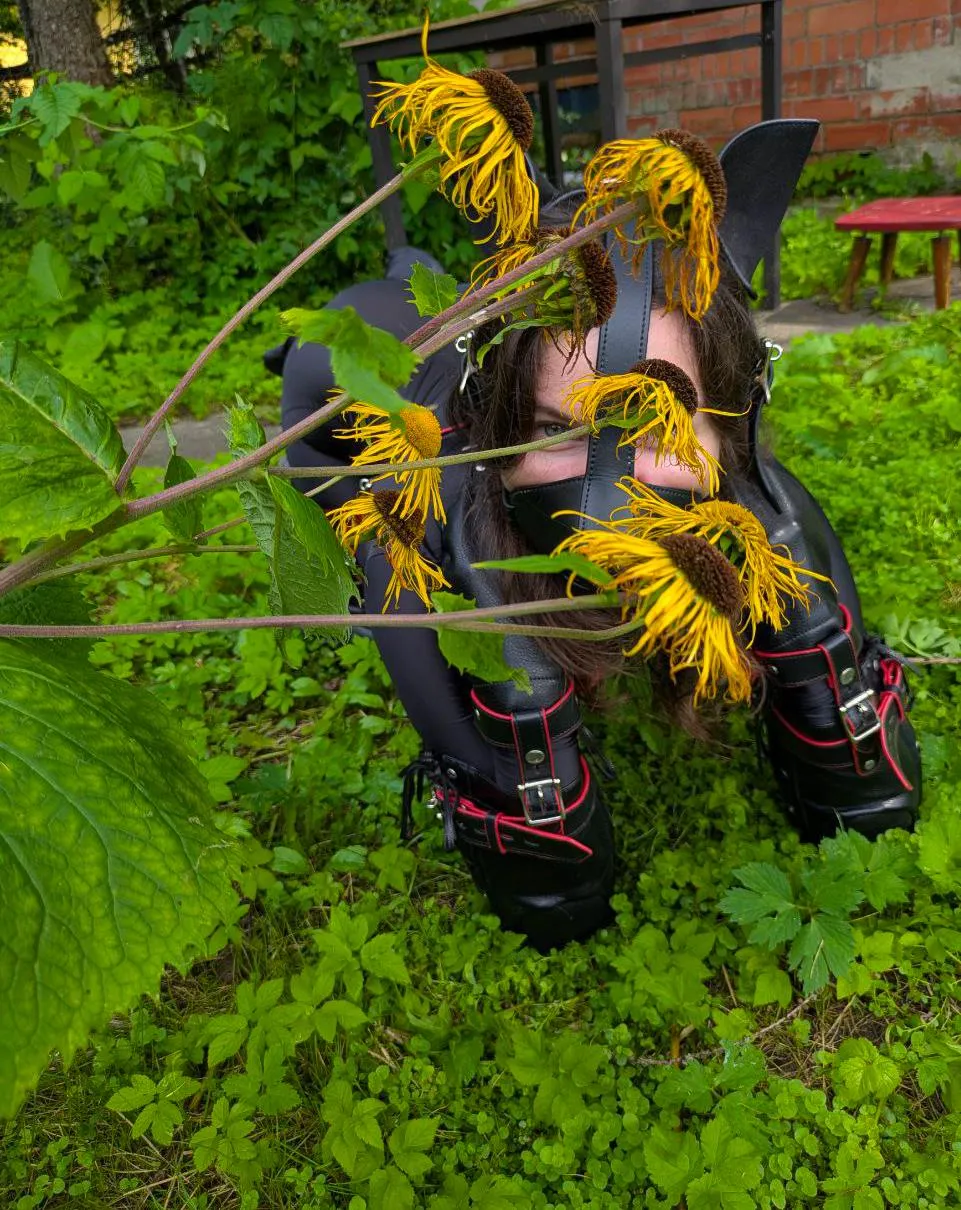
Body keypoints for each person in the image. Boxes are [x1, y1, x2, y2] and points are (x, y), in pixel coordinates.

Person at [266, 120, 921, 952]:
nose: (608, 500)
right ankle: (430, 305)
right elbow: (533, 854)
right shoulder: (441, 480)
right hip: (357, 379)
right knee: (455, 620)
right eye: (553, 430)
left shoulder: (740, 480)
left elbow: (856, 754)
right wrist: (515, 751)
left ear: (729, 422)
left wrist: (829, 686)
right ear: (498, 421)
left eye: (654, 426)